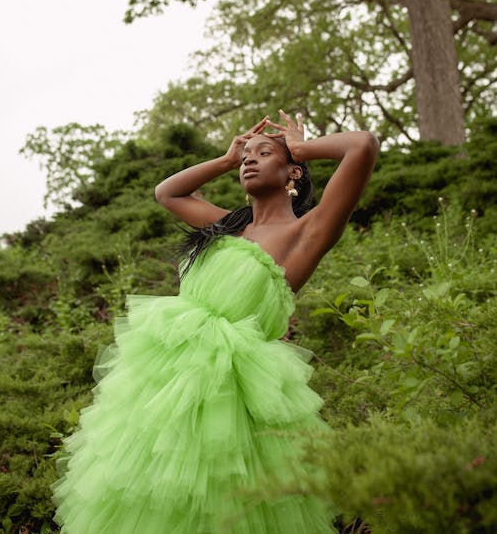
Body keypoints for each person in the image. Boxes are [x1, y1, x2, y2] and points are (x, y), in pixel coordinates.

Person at [51, 110, 379, 533]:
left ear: (292, 173)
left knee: (225, 500)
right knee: (155, 490)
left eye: (264, 153)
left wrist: (301, 146)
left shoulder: (308, 232)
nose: (249, 159)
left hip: (237, 387)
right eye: (247, 155)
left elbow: (363, 146)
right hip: (169, 380)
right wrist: (225, 158)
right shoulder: (226, 226)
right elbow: (167, 192)